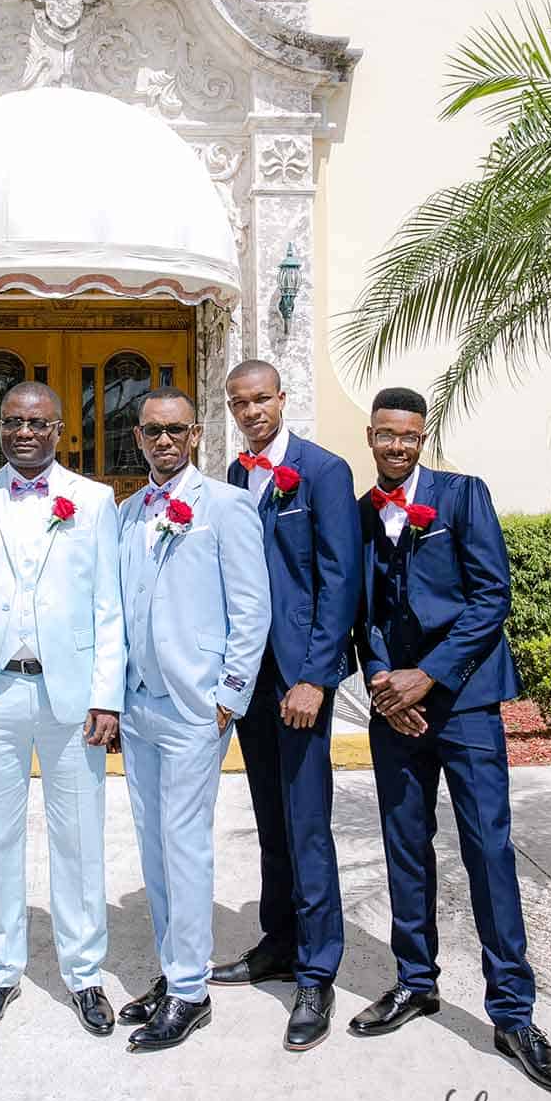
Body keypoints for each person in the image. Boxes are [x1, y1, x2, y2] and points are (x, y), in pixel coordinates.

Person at [351, 386, 551, 1097]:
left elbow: (492, 596)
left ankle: (513, 1014)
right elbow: (364, 611)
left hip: (467, 703)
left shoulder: (461, 495)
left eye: (410, 435)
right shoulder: (361, 513)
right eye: (387, 433)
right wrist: (387, 684)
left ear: (422, 437)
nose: (398, 445)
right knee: (404, 847)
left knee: (488, 850)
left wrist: (430, 678)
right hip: (399, 710)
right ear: (370, 434)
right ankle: (415, 982)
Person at [0, 381, 124, 1036]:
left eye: (38, 421)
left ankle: (84, 971)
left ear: (59, 427)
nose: (25, 431)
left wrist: (108, 693)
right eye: (13, 420)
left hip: (69, 694)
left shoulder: (95, 500)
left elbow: (109, 604)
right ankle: (0, 968)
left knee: (78, 836)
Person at [210, 360, 361, 1051]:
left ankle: (317, 967)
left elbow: (339, 580)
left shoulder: (323, 472)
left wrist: (317, 677)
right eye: (240, 402)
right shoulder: (236, 477)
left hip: (300, 680)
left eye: (261, 398)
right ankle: (278, 939)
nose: (252, 410)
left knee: (306, 821)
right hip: (253, 682)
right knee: (269, 814)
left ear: (282, 397)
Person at [117, 388, 270, 1051]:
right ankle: (173, 969)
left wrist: (228, 696)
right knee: (153, 844)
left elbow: (251, 608)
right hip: (138, 703)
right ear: (138, 435)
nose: (164, 439)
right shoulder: (126, 513)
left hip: (193, 706)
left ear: (198, 432)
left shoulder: (227, 507)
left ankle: (191, 990)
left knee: (184, 843)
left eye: (176, 429)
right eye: (153, 430)